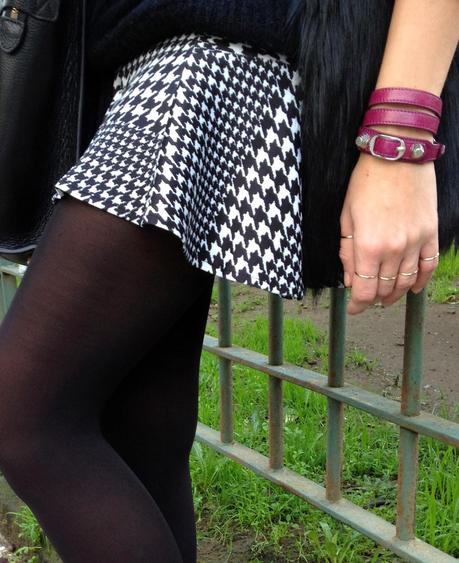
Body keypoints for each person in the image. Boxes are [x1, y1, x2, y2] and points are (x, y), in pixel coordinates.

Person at [0, 1, 457, 561]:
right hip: (143, 69)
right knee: (136, 426)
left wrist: (399, 135)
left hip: (220, 70)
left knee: (24, 413)